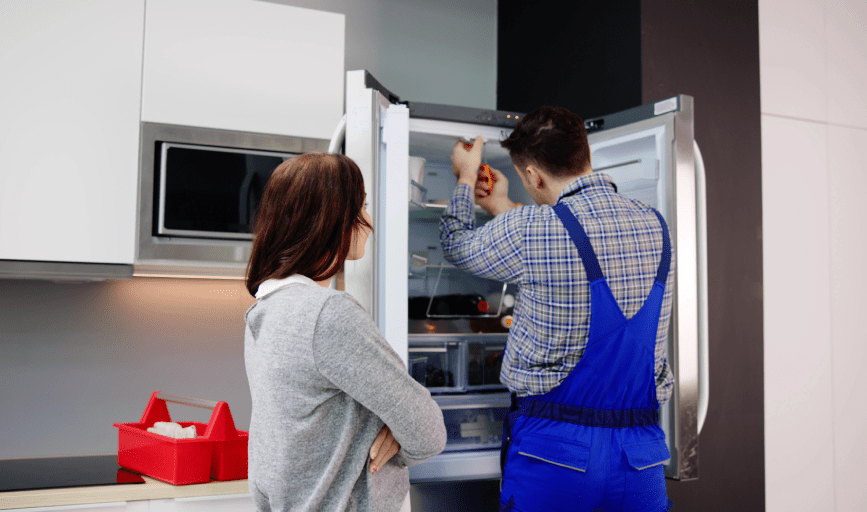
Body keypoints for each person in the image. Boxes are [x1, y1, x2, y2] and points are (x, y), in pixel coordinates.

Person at [440, 107, 675, 512]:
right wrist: (503, 205)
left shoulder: (530, 229)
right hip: (640, 459)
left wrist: (465, 176)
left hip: (556, 457)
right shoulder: (656, 224)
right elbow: (573, 246)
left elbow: (456, 243)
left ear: (532, 175)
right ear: (584, 153)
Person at [244, 152, 447, 512]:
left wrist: (393, 431)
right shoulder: (327, 314)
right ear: (331, 220)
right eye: (361, 207)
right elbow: (428, 431)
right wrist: (398, 434)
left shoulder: (265, 311)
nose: (367, 220)